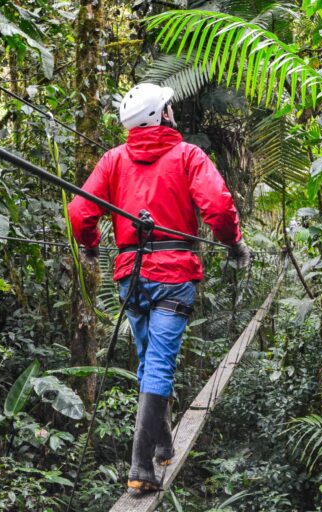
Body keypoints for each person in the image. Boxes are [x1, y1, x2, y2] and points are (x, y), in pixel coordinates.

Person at [68, 83, 250, 492]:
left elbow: (81, 208)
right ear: (162, 115)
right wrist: (233, 243)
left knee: (150, 360)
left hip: (131, 278)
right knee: (160, 364)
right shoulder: (187, 156)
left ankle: (163, 443)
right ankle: (140, 468)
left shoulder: (113, 160)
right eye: (169, 107)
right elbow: (218, 208)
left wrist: (89, 246)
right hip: (173, 276)